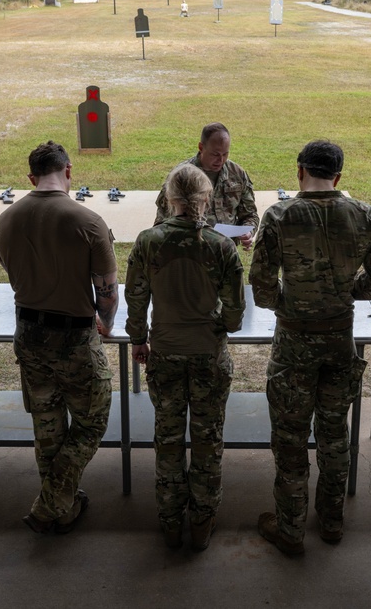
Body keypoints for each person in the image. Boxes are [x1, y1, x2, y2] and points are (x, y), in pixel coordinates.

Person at [249, 139, 371, 555]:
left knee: (291, 436)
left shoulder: (280, 215)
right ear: (339, 177)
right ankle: (331, 520)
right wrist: (345, 292)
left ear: (299, 171)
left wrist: (292, 301)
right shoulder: (367, 215)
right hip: (339, 339)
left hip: (294, 340)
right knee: (334, 432)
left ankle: (291, 527)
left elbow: (260, 287)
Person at [0, 140, 119, 535]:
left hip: (28, 334)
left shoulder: (5, 220)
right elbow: (108, 292)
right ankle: (50, 504)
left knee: (47, 424)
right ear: (68, 172)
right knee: (93, 420)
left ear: (31, 177)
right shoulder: (89, 222)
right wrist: (107, 323)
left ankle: (62, 507)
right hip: (75, 338)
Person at [125, 163, 245, 551]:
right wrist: (218, 327)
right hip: (208, 354)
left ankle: (171, 520)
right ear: (206, 199)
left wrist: (140, 339)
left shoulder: (149, 241)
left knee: (169, 439)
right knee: (208, 441)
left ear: (170, 199)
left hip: (165, 352)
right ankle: (202, 520)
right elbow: (235, 311)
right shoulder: (220, 245)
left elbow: (136, 298)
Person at [154, 122, 258, 249]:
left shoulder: (236, 174)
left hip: (225, 252)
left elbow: (250, 214)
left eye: (225, 154)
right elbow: (161, 223)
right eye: (215, 154)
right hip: (191, 252)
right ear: (201, 147)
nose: (220, 160)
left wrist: (248, 233)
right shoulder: (182, 177)